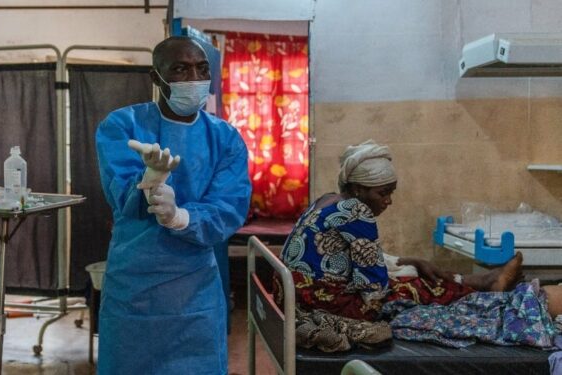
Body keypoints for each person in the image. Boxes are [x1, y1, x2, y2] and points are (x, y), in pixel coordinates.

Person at [95, 36, 251, 374]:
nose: (194, 78)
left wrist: (181, 217)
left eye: (201, 69)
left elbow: (229, 205)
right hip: (136, 284)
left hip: (195, 288)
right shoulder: (123, 126)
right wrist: (149, 183)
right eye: (180, 69)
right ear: (157, 78)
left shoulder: (225, 138)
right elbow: (122, 195)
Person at [276, 140, 558, 321]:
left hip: (295, 290)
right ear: (359, 189)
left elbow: (350, 256)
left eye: (391, 192)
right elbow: (374, 290)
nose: (388, 201)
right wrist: (406, 276)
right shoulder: (357, 211)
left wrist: (409, 262)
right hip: (320, 301)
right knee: (416, 288)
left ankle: (483, 281)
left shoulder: (327, 199)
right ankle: (486, 288)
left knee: (409, 270)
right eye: (383, 193)